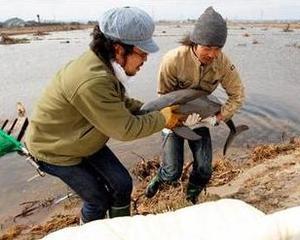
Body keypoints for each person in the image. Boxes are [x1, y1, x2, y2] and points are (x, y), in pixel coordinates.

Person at [25, 6, 184, 223]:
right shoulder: (93, 80)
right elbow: (125, 129)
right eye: (142, 53)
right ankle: (90, 233)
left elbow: (117, 103)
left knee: (122, 184)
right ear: (119, 49)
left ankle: (119, 230)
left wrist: (149, 109)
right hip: (55, 149)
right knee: (97, 200)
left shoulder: (103, 64)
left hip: (82, 137)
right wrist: (163, 118)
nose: (145, 59)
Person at [145, 6, 245, 204]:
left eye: (218, 48)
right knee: (173, 171)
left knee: (205, 169)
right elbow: (163, 99)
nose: (212, 54)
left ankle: (191, 195)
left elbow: (237, 95)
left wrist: (217, 118)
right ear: (195, 42)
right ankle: (161, 177)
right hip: (172, 117)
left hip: (201, 118)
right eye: (207, 47)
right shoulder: (173, 60)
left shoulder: (222, 62)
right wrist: (174, 122)